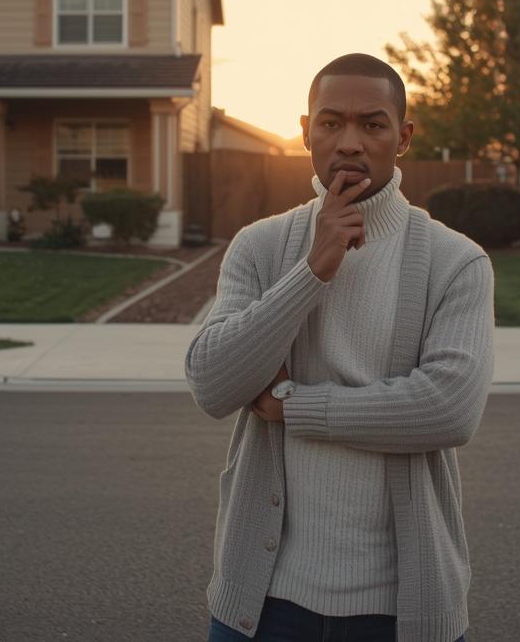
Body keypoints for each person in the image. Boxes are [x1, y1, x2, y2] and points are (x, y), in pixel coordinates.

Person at [186, 53, 494, 642]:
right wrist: (313, 268)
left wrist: (293, 407)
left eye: (372, 124)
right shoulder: (261, 246)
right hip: (262, 602)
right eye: (330, 123)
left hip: (400, 609)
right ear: (305, 133)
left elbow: (449, 409)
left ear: (402, 138)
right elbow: (212, 383)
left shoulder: (456, 262)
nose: (349, 142)